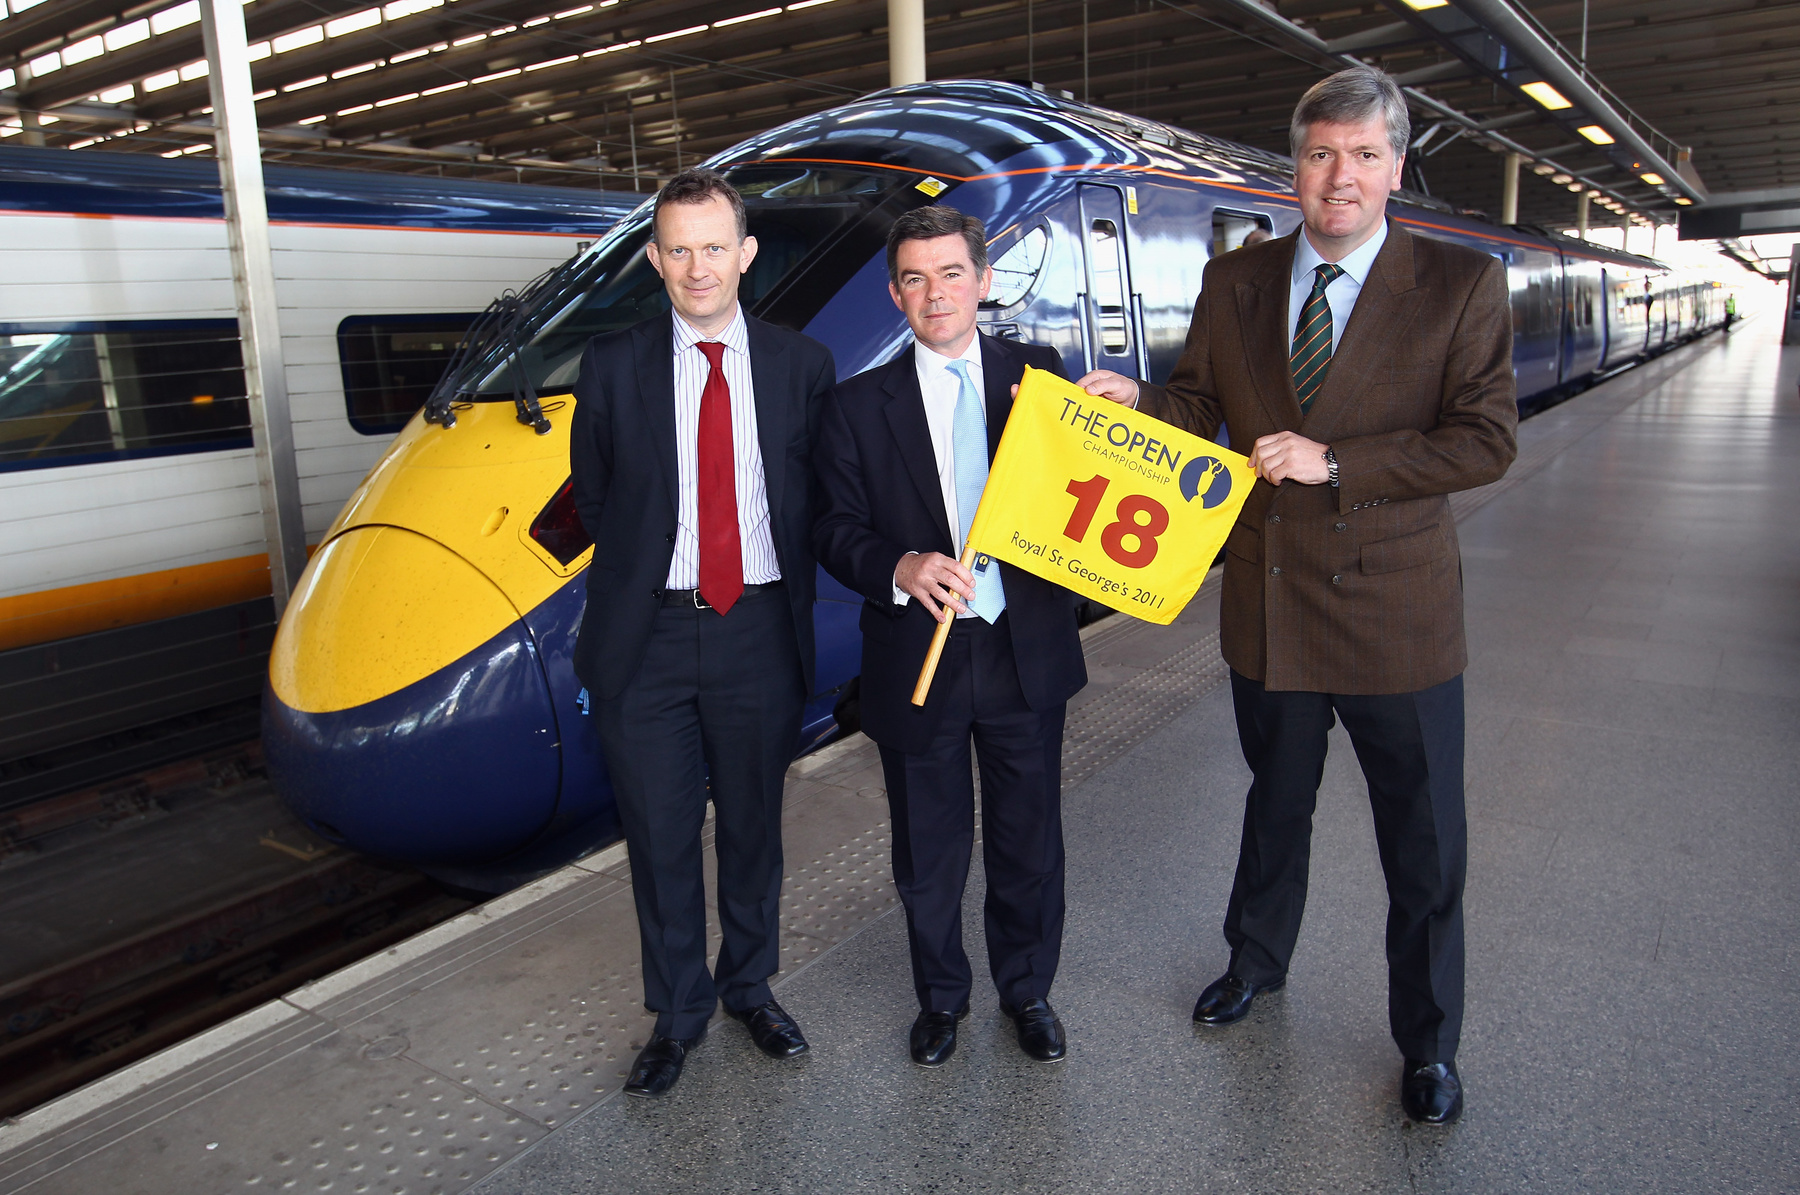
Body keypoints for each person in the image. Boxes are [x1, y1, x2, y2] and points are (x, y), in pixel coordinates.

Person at [1078, 65, 1517, 1124]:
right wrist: (1142, 400)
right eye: (1322, 154)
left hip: (1398, 617)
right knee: (1275, 806)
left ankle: (1430, 1044)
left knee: (1423, 841)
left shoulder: (1460, 283)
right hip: (1270, 603)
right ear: (1296, 166)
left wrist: (1339, 463)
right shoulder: (1238, 278)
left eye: (1364, 154)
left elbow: (1485, 439)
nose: (1340, 176)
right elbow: (1201, 403)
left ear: (1396, 167)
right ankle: (1255, 963)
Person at [568, 168, 837, 1098]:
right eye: (678, 249)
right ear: (654, 259)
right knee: (661, 834)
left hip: (758, 628)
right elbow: (598, 500)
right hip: (646, 637)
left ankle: (749, 988)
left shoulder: (802, 365)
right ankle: (677, 1013)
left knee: (754, 826)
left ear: (746, 254)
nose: (697, 267)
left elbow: (819, 500)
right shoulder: (612, 364)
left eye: (714, 246)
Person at [814, 207, 1087, 1068]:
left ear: (984, 280)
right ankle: (941, 997)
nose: (937, 293)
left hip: (1022, 646)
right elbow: (832, 528)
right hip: (917, 652)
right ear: (896, 294)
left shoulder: (1039, 378)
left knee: (1028, 838)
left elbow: (1085, 486)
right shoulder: (855, 405)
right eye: (916, 278)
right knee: (928, 849)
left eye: (952, 273)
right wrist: (898, 564)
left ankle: (1027, 990)